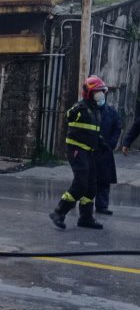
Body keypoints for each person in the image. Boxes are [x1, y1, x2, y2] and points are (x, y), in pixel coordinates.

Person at [49, 75, 107, 230]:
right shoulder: (81, 107)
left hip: (88, 152)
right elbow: (69, 116)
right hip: (76, 150)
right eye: (98, 91)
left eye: (102, 91)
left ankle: (85, 218)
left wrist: (101, 142)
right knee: (80, 185)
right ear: (89, 92)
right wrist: (76, 108)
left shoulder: (96, 111)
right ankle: (59, 212)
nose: (101, 94)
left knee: (91, 187)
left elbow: (93, 131)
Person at [95, 101, 121, 215]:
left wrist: (111, 144)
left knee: (104, 179)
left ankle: (102, 206)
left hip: (105, 149)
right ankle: (81, 205)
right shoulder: (87, 109)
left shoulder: (111, 111)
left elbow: (117, 127)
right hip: (90, 149)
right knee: (84, 180)